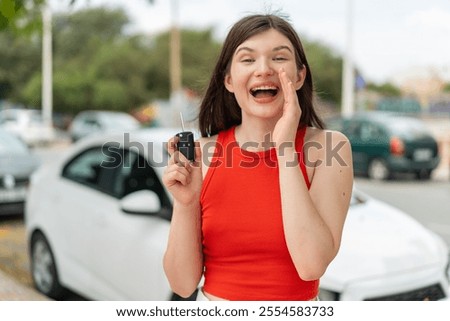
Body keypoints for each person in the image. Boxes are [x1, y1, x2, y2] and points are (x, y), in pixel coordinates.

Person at [162, 13, 353, 301]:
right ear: (228, 80)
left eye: (279, 58)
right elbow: (182, 284)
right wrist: (185, 204)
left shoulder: (330, 148)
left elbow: (311, 264)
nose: (263, 69)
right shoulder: (203, 153)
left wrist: (285, 149)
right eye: (248, 59)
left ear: (299, 76)